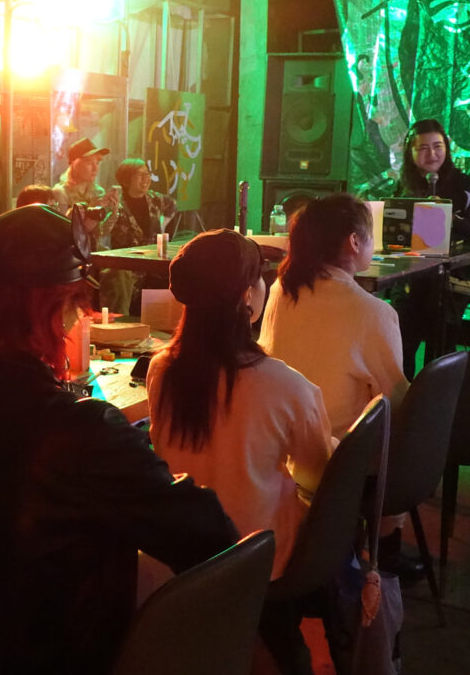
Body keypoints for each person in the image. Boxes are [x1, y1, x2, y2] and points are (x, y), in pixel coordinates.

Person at [0, 204, 236, 674]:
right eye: (74, 304)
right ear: (51, 310)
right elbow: (209, 535)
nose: (77, 318)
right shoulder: (86, 432)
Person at [147, 229, 332, 673]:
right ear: (248, 296)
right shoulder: (287, 385)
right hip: (259, 560)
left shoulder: (161, 369)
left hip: (180, 557)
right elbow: (318, 473)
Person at [259, 193, 408, 439]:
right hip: (338, 453)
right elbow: (396, 401)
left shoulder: (282, 289)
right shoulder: (374, 313)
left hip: (278, 442)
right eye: (371, 235)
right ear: (354, 242)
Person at [394, 119, 470, 375]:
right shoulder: (403, 185)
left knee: (441, 353)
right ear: (410, 152)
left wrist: (447, 215)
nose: (432, 154)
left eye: (438, 146)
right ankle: (404, 395)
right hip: (409, 279)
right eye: (423, 148)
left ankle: (437, 395)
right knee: (402, 345)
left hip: (450, 280)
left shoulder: (464, 185)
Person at [99, 158, 177, 314]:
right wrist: (113, 212)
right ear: (126, 180)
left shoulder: (154, 198)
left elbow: (172, 205)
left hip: (153, 266)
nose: (146, 179)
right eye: (140, 175)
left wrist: (162, 226)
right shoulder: (117, 203)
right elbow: (103, 231)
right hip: (127, 268)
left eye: (147, 174)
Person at [51, 136, 120, 242]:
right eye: (89, 163)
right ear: (75, 164)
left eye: (97, 163)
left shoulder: (98, 192)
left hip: (93, 251)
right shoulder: (60, 193)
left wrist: (114, 213)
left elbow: (101, 233)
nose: (95, 168)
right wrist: (94, 210)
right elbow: (66, 234)